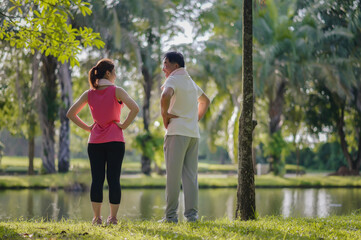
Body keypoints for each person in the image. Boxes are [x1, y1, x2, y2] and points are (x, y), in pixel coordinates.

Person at [66, 58, 139, 225]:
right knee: (114, 179)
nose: (116, 75)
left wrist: (89, 128)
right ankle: (113, 218)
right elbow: (135, 108)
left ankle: (97, 218)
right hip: (115, 141)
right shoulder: (117, 91)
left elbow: (70, 113)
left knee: (97, 180)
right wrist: (123, 125)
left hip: (95, 142)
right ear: (108, 73)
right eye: (114, 72)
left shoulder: (89, 93)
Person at [160, 51, 210, 223]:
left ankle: (171, 217)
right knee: (190, 177)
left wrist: (164, 115)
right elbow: (205, 101)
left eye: (166, 64)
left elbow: (165, 95)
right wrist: (195, 120)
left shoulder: (173, 79)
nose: (163, 68)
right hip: (192, 135)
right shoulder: (190, 81)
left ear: (175, 65)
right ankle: (192, 217)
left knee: (173, 177)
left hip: (176, 134)